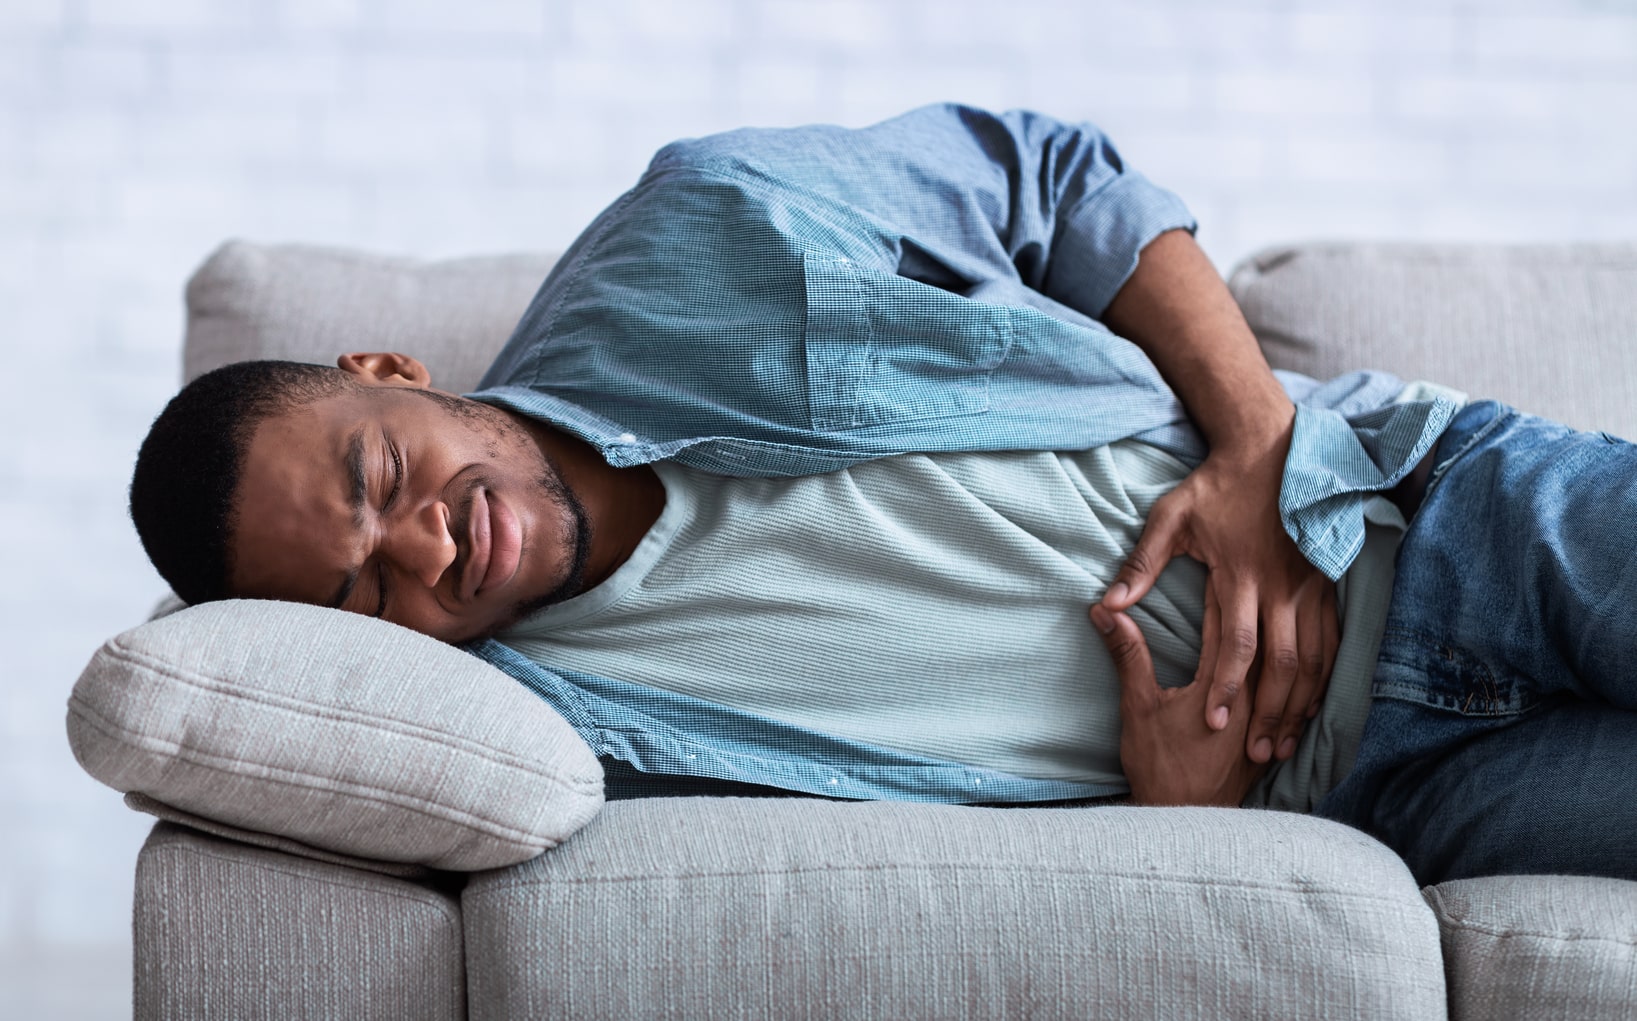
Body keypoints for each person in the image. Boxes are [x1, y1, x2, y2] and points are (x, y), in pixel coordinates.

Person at [128, 105, 1634, 884]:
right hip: (1372, 789)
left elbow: (1054, 177)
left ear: (388, 367)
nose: (427, 543)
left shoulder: (698, 225)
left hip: (1427, 510)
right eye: (365, 590)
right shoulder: (578, 747)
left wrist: (1251, 453)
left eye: (381, 476)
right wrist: (1188, 826)